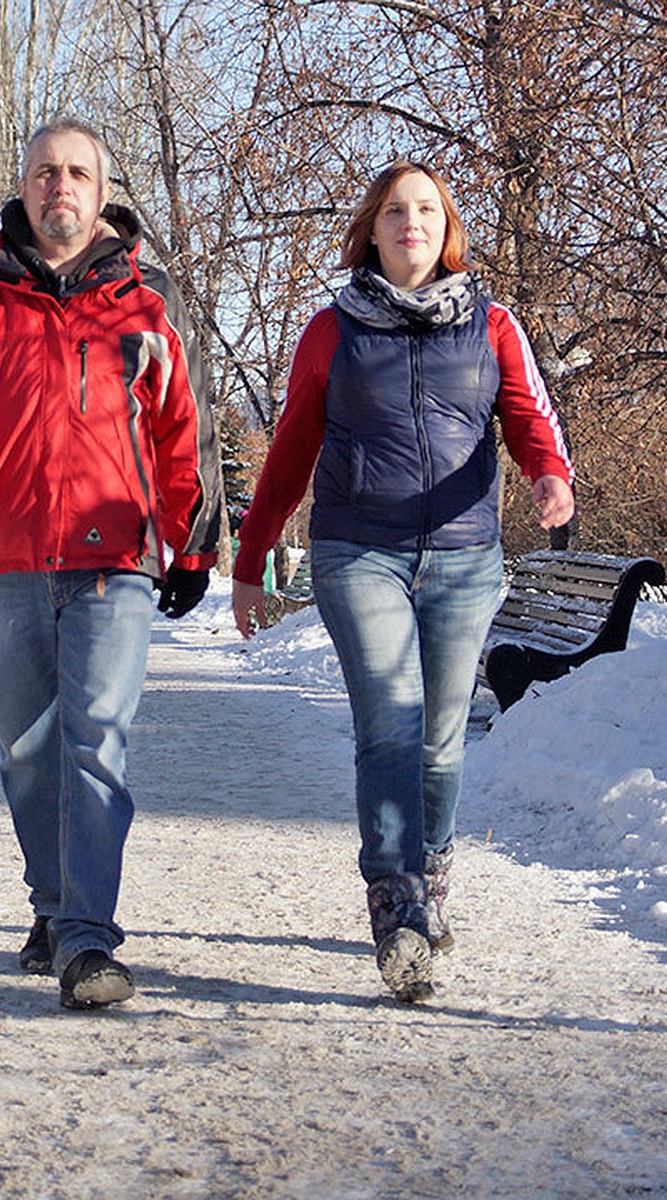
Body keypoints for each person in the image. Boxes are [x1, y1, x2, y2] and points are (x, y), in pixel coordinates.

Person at [0, 117, 224, 1010]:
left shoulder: (147, 303)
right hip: (6, 559)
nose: (60, 187)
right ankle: (54, 904)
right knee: (27, 752)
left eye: (77, 172)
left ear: (101, 189)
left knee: (97, 745)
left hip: (113, 559)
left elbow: (183, 429)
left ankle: (87, 939)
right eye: (45, 172)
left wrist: (194, 537)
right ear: (24, 184)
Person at [232, 161, 574, 1003]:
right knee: (390, 725)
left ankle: (431, 878)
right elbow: (289, 452)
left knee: (440, 737)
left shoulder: (492, 324)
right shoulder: (332, 330)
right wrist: (251, 557)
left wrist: (548, 474)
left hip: (463, 555)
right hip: (360, 550)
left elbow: (529, 415)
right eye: (395, 210)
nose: (411, 222)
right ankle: (395, 906)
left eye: (426, 209)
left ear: (445, 227)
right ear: (373, 229)